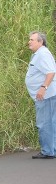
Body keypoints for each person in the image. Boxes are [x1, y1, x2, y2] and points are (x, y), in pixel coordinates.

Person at [25, 31, 56, 159]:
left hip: (45, 95)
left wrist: (43, 88)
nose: (29, 42)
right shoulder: (39, 54)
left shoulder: (43, 54)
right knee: (50, 122)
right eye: (29, 39)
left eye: (32, 40)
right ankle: (51, 149)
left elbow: (50, 72)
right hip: (47, 95)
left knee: (44, 123)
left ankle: (48, 151)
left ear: (40, 41)